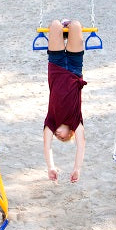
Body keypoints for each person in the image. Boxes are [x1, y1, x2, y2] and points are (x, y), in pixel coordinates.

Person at [43, 18, 87, 183]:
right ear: (71, 133)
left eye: (56, 137)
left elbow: (47, 147)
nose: (57, 135)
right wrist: (77, 169)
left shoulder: (51, 121)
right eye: (63, 138)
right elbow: (81, 145)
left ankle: (62, 25)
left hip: (56, 67)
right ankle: (68, 24)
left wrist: (50, 167)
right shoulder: (77, 122)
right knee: (76, 26)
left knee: (55, 25)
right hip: (75, 70)